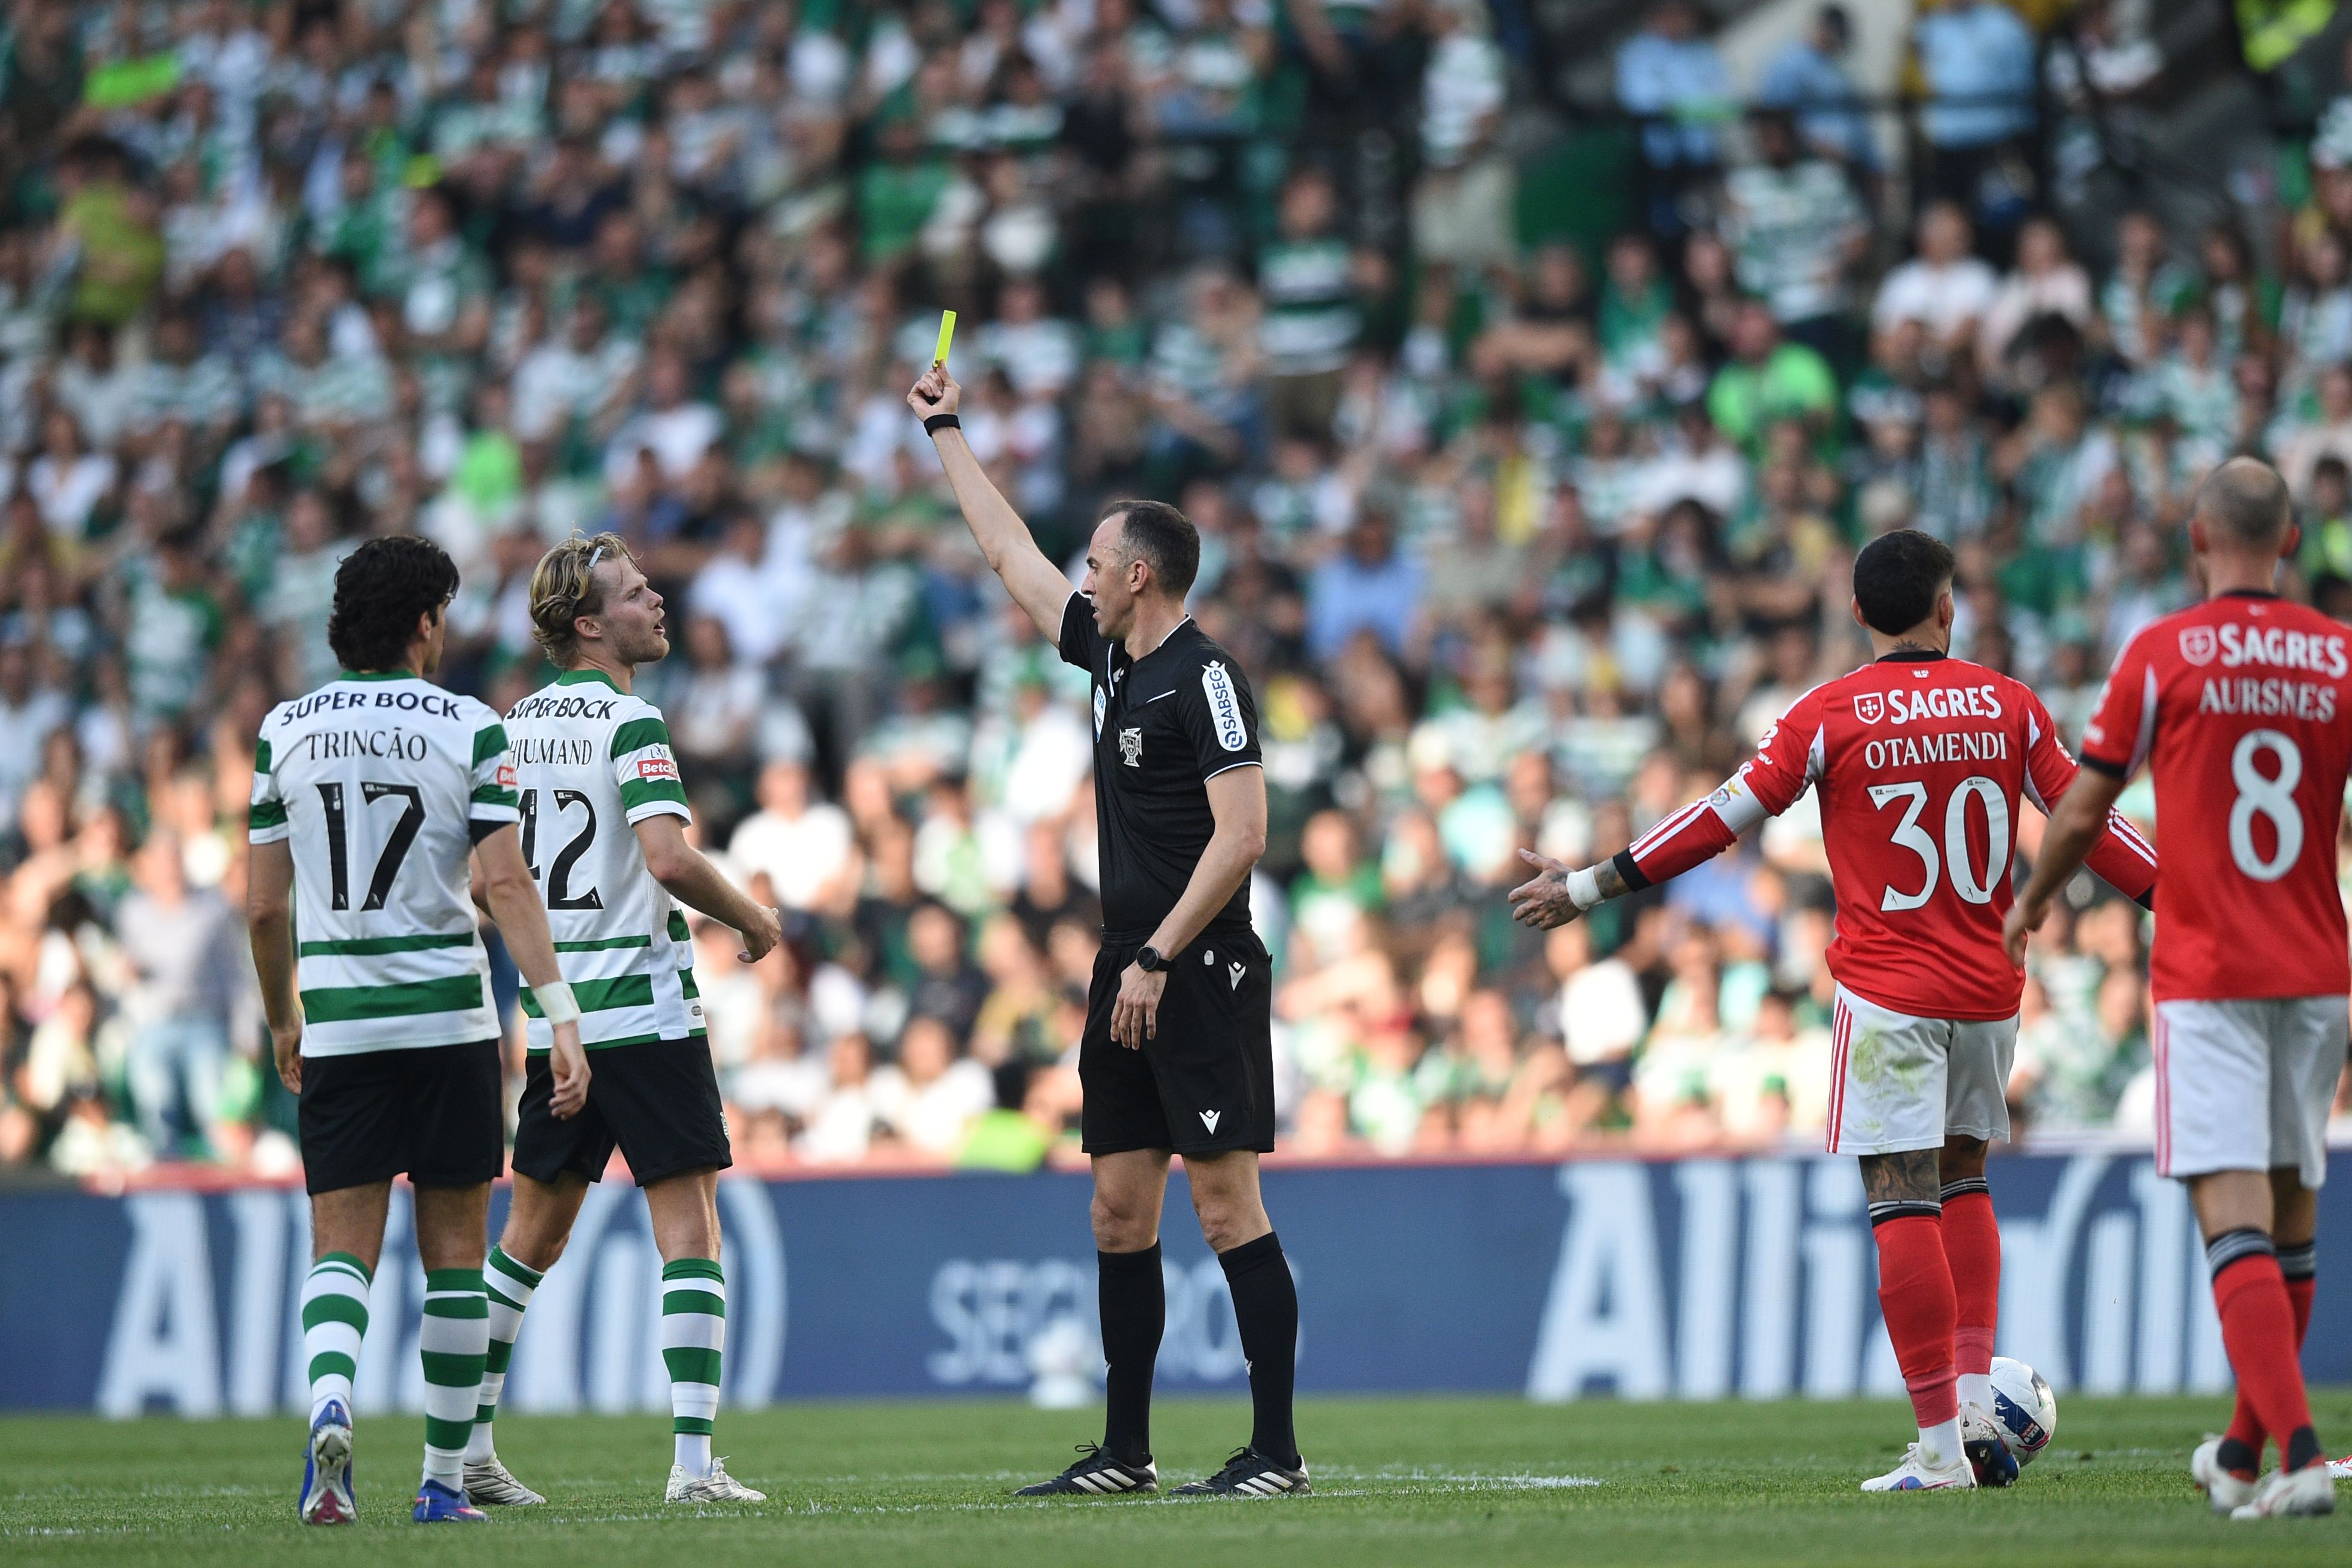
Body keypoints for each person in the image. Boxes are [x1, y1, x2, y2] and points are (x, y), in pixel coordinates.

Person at [1512, 529, 2158, 1493]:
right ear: (1949, 608)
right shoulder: (2009, 705)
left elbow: (1723, 817)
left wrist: (1594, 885)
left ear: (1858, 616)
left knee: (1901, 1194)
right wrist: (2184, 902)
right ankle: (1977, 1408)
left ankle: (1942, 1449)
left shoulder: (1830, 713)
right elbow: (2087, 823)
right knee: (1966, 1178)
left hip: (1891, 990)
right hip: (1989, 987)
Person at [909, 362, 1304, 1498]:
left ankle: (1277, 1453)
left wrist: (1158, 955)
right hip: (1124, 971)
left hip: (1198, 966)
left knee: (1227, 1207)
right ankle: (1127, 1455)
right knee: (1117, 1210)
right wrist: (948, 432)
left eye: (1094, 563)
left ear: (1139, 575)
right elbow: (1008, 557)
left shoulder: (1206, 678)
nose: (1077, 578)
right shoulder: (1109, 658)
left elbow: (1244, 836)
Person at [2004, 458, 2344, 1519]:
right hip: (2319, 966)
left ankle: (2296, 1453)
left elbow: (2081, 811)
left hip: (2208, 970)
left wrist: (2034, 902)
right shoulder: (2340, 656)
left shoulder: (2163, 655)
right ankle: (2242, 1459)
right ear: (2289, 542)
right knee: (2291, 1231)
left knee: (2231, 1219)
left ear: (2198, 539)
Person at [247, 535, 589, 1526]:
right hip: (446, 1021)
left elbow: (265, 910)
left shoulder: (285, 732)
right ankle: (442, 1484)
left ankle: (330, 1403)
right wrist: (557, 1014)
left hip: (343, 1024)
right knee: (451, 1254)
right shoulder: (470, 728)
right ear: (426, 620)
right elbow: (504, 882)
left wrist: (284, 1020)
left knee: (340, 1251)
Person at [461, 533, 782, 1507]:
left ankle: (465, 1450)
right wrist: (755, 919)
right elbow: (670, 860)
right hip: (644, 1009)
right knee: (690, 1233)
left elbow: (486, 884)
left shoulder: (511, 730)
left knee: (530, 1239)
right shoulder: (632, 723)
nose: (658, 603)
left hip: (561, 1018)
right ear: (590, 624)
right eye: (637, 594)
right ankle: (692, 1469)